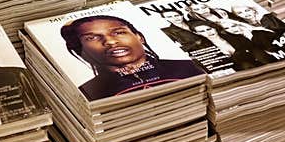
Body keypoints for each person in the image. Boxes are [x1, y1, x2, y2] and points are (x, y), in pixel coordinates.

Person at [61, 15, 202, 100]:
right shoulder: (87, 92)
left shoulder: (189, 67)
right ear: (79, 50)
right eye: (91, 37)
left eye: (118, 32)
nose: (110, 41)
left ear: (139, 37)